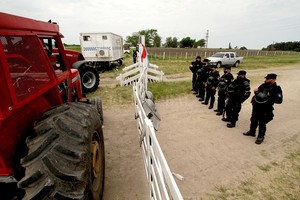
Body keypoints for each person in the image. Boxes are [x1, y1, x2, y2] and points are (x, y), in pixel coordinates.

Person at [243, 73, 283, 144]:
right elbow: (259, 94)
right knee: (253, 119)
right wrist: (255, 92)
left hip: (265, 108)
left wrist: (271, 96)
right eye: (266, 79)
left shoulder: (276, 89)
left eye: (267, 79)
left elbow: (279, 100)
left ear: (273, 80)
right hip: (256, 106)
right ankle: (252, 131)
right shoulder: (263, 85)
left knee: (262, 122)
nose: (266, 80)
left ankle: (260, 137)